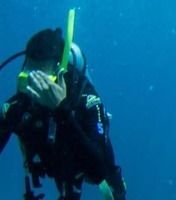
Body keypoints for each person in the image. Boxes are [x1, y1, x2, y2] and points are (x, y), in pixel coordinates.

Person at [0, 27, 127, 200]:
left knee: (114, 190)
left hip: (84, 157)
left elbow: (98, 172)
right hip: (56, 163)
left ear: (60, 71)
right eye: (28, 78)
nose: (33, 89)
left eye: (42, 79)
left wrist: (62, 111)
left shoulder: (86, 100)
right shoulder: (20, 105)